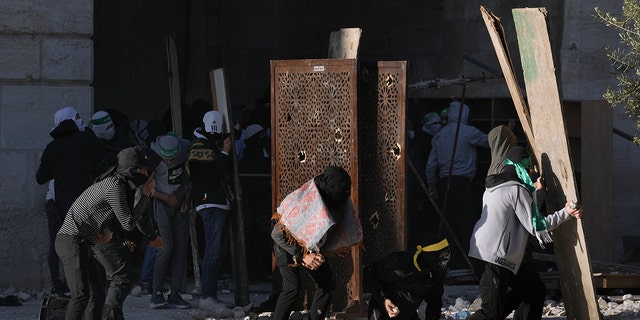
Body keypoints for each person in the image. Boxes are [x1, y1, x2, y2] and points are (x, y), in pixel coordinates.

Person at [466, 146, 583, 320]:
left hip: (497, 254)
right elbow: (537, 225)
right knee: (491, 312)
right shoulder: (515, 189)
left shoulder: (497, 186)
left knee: (533, 291)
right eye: (529, 169)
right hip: (492, 256)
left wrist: (538, 191)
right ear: (521, 168)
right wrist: (566, 212)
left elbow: (523, 210)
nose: (531, 173)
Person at [55, 146, 165, 320]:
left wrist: (144, 236)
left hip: (84, 241)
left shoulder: (120, 183)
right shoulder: (114, 186)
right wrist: (145, 194)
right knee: (80, 295)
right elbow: (128, 223)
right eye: (148, 170)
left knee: (98, 293)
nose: (151, 175)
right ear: (135, 170)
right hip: (71, 241)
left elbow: (136, 217)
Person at [270, 166, 363, 320]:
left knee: (327, 283)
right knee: (292, 288)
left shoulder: (333, 199)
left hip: (310, 247)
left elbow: (319, 232)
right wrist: (302, 256)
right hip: (285, 243)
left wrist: (316, 255)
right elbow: (277, 234)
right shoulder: (306, 200)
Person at [36, 106, 98, 296]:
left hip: (63, 202)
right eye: (77, 117)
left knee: (67, 246)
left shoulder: (53, 147)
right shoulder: (85, 139)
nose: (81, 120)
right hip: (83, 201)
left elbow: (41, 177)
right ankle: (81, 286)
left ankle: (71, 287)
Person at [425, 101, 488, 268]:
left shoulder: (440, 135)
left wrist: (432, 186)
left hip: (443, 183)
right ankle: (471, 261)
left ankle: (450, 262)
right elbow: (490, 142)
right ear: (465, 115)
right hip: (462, 183)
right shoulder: (468, 132)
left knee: (448, 223)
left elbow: (431, 165)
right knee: (467, 222)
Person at [187, 110, 235, 311]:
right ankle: (206, 295)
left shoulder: (208, 145)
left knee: (218, 251)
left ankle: (211, 294)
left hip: (218, 203)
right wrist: (224, 152)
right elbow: (211, 176)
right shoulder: (200, 147)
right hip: (210, 204)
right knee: (213, 251)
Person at [148, 133, 193, 309]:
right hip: (161, 202)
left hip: (181, 201)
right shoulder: (152, 156)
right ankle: (156, 294)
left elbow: (191, 174)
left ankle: (175, 294)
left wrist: (185, 198)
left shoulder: (185, 148)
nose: (169, 162)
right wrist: (166, 198)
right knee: (166, 248)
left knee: (181, 249)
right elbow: (145, 187)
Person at [365, 235, 450, 320]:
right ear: (432, 255)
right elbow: (370, 273)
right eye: (444, 255)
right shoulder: (400, 263)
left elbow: (434, 301)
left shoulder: (436, 272)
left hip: (408, 315)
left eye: (448, 254)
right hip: (382, 312)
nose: (447, 258)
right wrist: (384, 299)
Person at [238, 124, 272, 282]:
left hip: (262, 203)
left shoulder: (261, 153)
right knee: (257, 237)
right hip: (254, 204)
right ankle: (255, 272)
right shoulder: (249, 157)